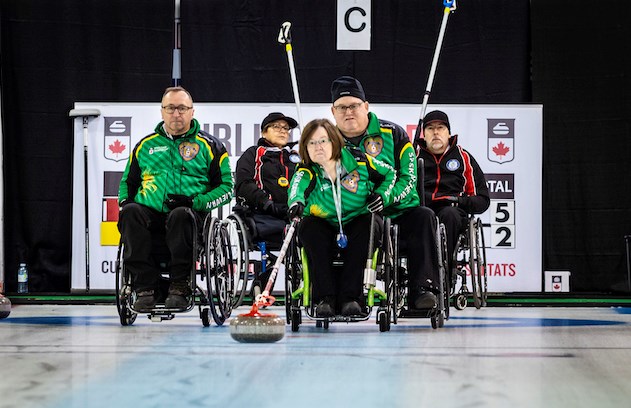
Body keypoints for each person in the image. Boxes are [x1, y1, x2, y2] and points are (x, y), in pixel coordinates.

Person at [118, 86, 233, 312]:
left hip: (189, 215)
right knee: (130, 212)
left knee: (181, 214)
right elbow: (127, 183)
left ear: (192, 111)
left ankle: (180, 286)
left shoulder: (211, 146)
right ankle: (145, 288)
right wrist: (124, 203)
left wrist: (196, 202)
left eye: (182, 108)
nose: (176, 113)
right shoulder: (145, 145)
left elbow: (227, 188)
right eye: (171, 108)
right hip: (149, 214)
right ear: (162, 111)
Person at [330, 75, 440, 310]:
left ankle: (423, 290)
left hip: (398, 208)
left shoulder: (394, 133)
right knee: (357, 224)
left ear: (366, 106)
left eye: (354, 106)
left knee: (425, 217)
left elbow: (409, 177)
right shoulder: (326, 140)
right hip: (356, 213)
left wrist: (386, 196)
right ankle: (350, 297)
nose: (348, 112)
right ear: (333, 111)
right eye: (342, 107)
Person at [287, 118, 395, 317]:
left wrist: (382, 196)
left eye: (323, 141)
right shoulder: (307, 168)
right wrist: (296, 202)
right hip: (324, 221)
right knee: (309, 227)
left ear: (334, 142)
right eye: (311, 143)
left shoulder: (360, 160)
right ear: (305, 147)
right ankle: (324, 298)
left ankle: (351, 298)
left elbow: (390, 174)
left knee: (369, 225)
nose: (317, 147)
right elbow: (297, 187)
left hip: (358, 217)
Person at [415, 110, 490, 265]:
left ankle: (444, 269)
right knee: (420, 216)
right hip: (421, 208)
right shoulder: (412, 157)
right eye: (430, 128)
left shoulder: (464, 158)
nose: (435, 132)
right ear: (424, 134)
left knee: (449, 214)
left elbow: (482, 199)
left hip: (452, 210)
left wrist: (458, 201)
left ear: (449, 133)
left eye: (441, 127)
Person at [234, 112, 299, 289]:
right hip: (262, 215)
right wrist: (267, 203)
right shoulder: (253, 154)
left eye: (286, 128)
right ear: (264, 132)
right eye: (276, 127)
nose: (283, 131)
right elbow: (243, 184)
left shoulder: (297, 158)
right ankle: (262, 282)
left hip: (295, 216)